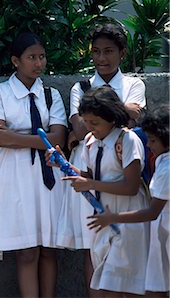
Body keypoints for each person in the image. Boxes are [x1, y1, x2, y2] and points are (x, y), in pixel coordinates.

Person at [60, 22, 147, 296]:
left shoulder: (133, 88)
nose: (101, 58)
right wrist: (122, 110)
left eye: (108, 51)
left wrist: (106, 109)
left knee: (130, 274)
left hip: (124, 205)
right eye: (96, 52)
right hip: (99, 196)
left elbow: (134, 117)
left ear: (122, 52)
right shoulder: (81, 92)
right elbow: (79, 129)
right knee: (97, 255)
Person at [0, 32, 67, 297]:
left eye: (41, 56)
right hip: (13, 177)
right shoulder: (0, 92)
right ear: (16, 61)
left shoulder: (50, 95)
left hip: (47, 177)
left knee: (49, 248)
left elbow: (58, 138)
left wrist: (15, 137)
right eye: (31, 57)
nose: (38, 63)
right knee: (27, 250)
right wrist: (37, 138)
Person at [87, 105, 169, 297]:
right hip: (161, 235)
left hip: (163, 233)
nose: (149, 145)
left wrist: (113, 218)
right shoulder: (163, 161)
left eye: (154, 141)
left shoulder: (167, 169)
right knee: (155, 288)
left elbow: (152, 212)